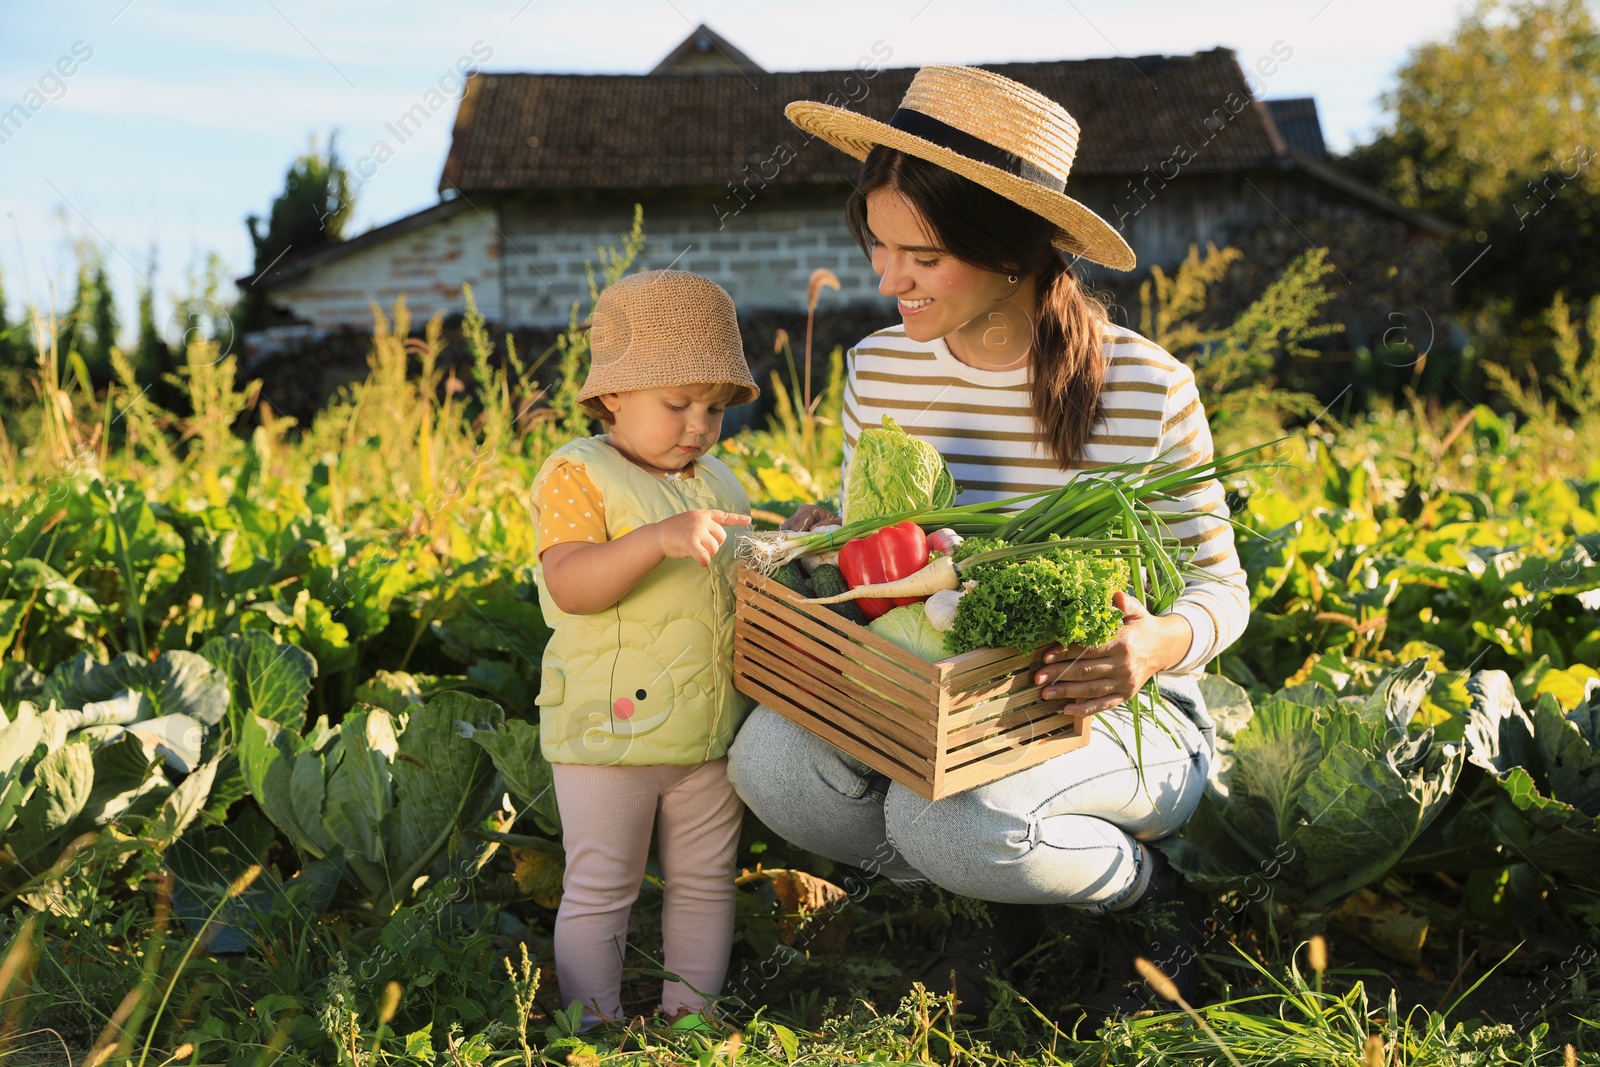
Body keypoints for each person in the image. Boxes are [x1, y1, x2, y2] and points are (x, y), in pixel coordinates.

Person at [725, 65, 1251, 1017]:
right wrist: (823, 541)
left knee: (949, 818)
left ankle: (1149, 898)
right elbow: (883, 553)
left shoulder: (1147, 385)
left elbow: (1222, 587)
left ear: (1008, 250)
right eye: (877, 246)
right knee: (772, 764)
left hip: (1109, 711)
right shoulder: (881, 366)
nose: (887, 280)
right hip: (937, 693)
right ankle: (995, 900)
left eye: (919, 257)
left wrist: (1147, 646)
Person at [531, 269, 759, 1028]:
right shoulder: (580, 473)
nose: (697, 424)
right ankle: (590, 1025)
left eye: (713, 407)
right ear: (612, 397)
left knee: (705, 881)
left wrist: (789, 533)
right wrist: (655, 540)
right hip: (605, 732)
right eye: (677, 403)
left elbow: (739, 575)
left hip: (706, 735)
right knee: (602, 883)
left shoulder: (719, 481)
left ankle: (689, 1021)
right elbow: (571, 582)